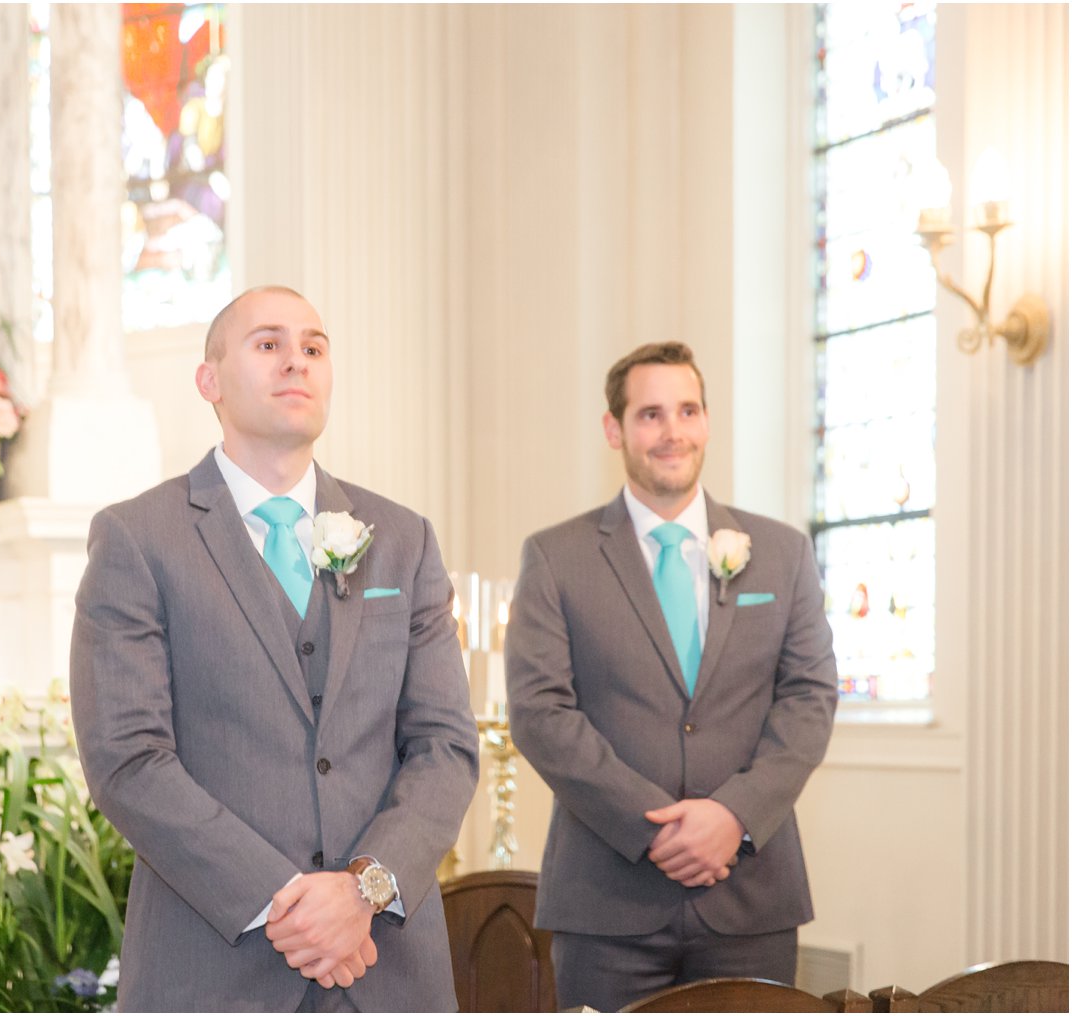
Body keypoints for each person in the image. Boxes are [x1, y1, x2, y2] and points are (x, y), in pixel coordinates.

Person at [70, 286, 478, 1011]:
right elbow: (127, 759)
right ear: (210, 381)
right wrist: (287, 901)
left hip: (385, 969)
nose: (297, 361)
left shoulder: (403, 540)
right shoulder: (139, 538)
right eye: (268, 344)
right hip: (212, 969)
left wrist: (363, 890)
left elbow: (444, 747)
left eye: (314, 347)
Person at [505, 342, 838, 1012]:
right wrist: (655, 828)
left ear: (708, 422)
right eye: (651, 414)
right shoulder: (556, 556)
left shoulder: (780, 554)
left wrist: (733, 816)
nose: (672, 431)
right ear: (615, 429)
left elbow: (810, 696)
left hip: (751, 896)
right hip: (607, 900)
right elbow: (541, 712)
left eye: (687, 411)